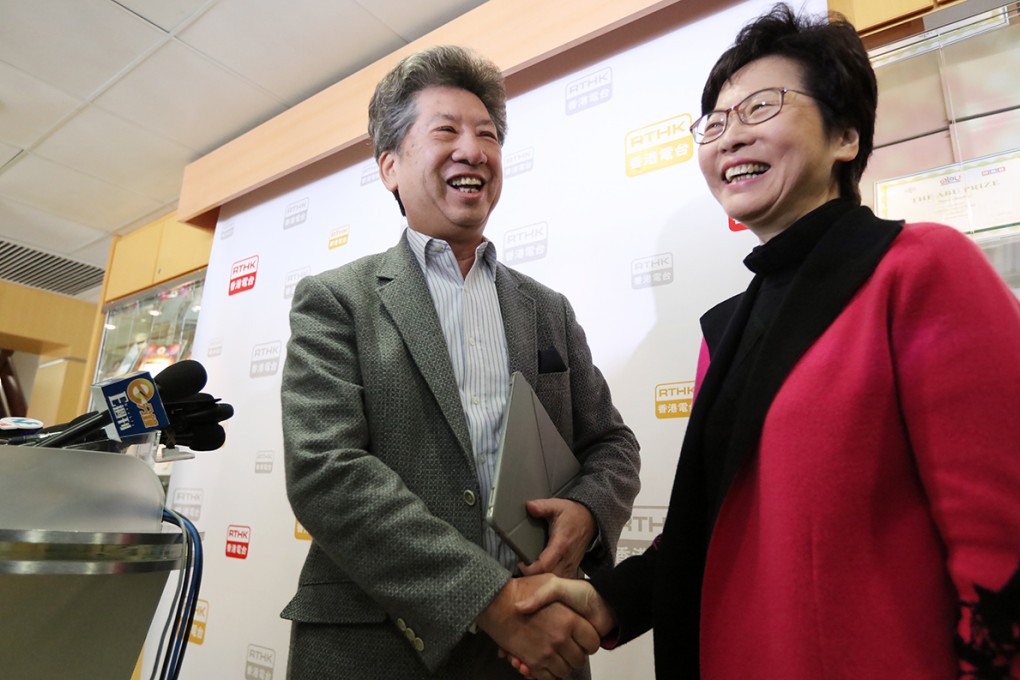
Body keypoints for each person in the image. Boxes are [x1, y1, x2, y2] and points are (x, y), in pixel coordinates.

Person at [514, 4, 1020, 679]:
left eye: (760, 109)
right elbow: (717, 533)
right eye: (715, 124)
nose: (729, 138)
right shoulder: (724, 329)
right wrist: (607, 601)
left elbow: (1002, 545)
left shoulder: (922, 268)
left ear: (844, 135)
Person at [279, 45, 641, 680]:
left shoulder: (548, 309)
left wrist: (587, 513)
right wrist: (487, 599)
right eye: (445, 130)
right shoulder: (337, 299)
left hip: (536, 653)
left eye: (488, 135)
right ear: (390, 166)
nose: (473, 150)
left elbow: (611, 443)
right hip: (376, 649)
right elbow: (325, 471)